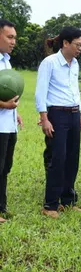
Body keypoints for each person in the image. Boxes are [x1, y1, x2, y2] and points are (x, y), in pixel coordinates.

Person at [35, 27, 81, 218]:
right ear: (65, 43)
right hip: (56, 114)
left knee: (73, 158)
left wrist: (79, 114)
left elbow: (75, 91)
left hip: (73, 113)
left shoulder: (75, 64)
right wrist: (44, 118)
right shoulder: (50, 63)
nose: (80, 48)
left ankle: (68, 200)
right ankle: (50, 205)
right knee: (58, 158)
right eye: (77, 45)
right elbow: (40, 92)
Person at [0, 19, 23, 223]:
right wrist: (4, 105)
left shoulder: (6, 60)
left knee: (5, 166)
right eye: (10, 37)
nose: (13, 41)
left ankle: (2, 206)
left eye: (14, 37)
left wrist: (16, 113)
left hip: (8, 125)